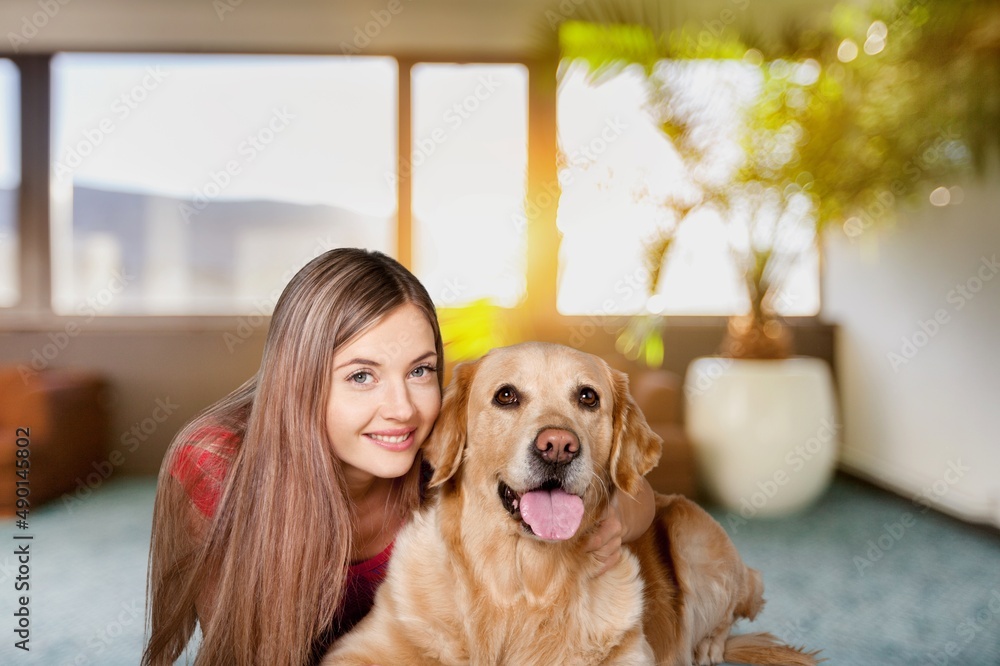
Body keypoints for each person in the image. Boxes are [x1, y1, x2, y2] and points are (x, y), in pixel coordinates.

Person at [143, 247, 655, 666]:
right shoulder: (215, 466)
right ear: (299, 383)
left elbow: (637, 492)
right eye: (361, 376)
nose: (402, 409)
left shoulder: (442, 451)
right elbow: (241, 653)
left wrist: (612, 517)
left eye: (419, 371)